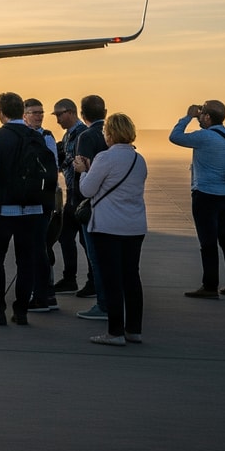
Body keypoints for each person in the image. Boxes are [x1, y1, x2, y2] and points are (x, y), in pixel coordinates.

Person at [0, 92, 47, 327]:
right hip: (32, 209)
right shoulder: (37, 136)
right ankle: (22, 310)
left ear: (2, 112)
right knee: (26, 261)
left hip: (3, 209)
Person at [78, 112, 148, 346]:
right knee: (131, 278)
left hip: (108, 226)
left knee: (112, 278)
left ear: (109, 133)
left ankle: (115, 331)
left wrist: (83, 171)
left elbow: (87, 190)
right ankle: (134, 330)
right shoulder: (140, 160)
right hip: (135, 226)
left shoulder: (105, 158)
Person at [169, 100, 225, 299]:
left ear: (208, 117)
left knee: (208, 242)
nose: (200, 117)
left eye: (202, 114)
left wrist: (187, 116)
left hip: (205, 195)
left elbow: (174, 137)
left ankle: (210, 286)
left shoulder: (204, 137)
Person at [70, 95, 111, 321]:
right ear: (105, 112)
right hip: (112, 204)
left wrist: (77, 203)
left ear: (82, 114)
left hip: (91, 202)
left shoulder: (86, 136)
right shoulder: (111, 135)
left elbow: (82, 172)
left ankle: (103, 303)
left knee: (95, 255)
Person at [23, 98, 62, 314]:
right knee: (41, 247)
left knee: (38, 247)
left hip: (41, 201)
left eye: (40, 112)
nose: (38, 116)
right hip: (41, 199)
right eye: (34, 112)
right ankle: (47, 293)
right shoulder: (32, 136)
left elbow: (52, 169)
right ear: (24, 115)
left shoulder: (45, 137)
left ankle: (43, 294)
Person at [50, 98, 88, 296]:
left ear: (71, 112)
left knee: (85, 239)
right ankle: (69, 278)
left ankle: (92, 280)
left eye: (59, 114)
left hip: (82, 194)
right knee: (65, 236)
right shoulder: (68, 136)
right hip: (72, 194)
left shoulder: (83, 135)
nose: (57, 120)